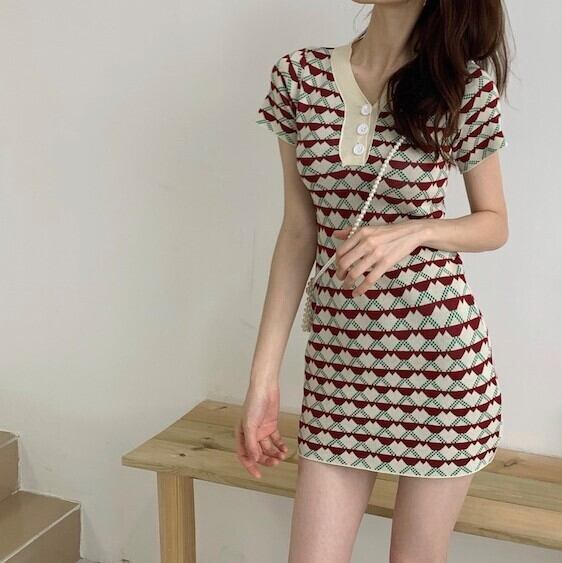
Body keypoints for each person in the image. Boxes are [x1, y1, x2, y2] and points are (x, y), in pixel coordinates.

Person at [236, 1, 510, 561]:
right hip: (338, 367)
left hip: (439, 369)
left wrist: (415, 230)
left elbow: (494, 223)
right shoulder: (299, 77)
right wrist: (263, 378)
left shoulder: (461, 87)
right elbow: (299, 232)